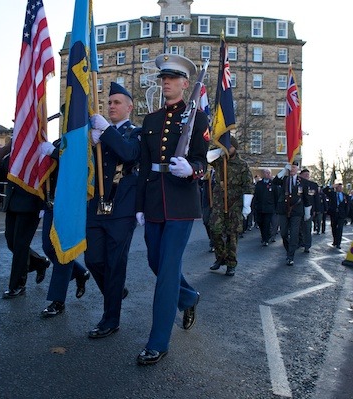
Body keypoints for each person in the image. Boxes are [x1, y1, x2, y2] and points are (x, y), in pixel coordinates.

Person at [134, 54, 209, 365]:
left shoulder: (198, 118)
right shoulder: (150, 121)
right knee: (155, 261)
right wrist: (140, 205)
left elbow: (205, 162)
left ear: (185, 84)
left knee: (166, 273)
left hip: (180, 202)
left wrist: (191, 169)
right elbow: (142, 166)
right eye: (163, 78)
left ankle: (158, 341)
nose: (165, 82)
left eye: (172, 78)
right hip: (153, 199)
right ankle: (189, 297)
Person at [83, 82, 141, 338]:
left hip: (121, 209)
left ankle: (110, 320)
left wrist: (106, 132)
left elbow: (128, 154)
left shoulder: (136, 133)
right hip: (97, 206)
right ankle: (115, 292)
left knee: (116, 264)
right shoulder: (99, 135)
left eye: (117, 103)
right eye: (109, 102)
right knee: (93, 259)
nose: (111, 106)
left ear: (129, 107)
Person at [0, 143, 50, 299]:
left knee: (20, 246)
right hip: (13, 203)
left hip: (31, 204)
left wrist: (42, 204)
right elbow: (4, 174)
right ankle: (39, 262)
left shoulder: (39, 152)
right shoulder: (14, 153)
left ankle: (18, 284)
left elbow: (45, 178)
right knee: (11, 242)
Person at [37, 138, 91, 317]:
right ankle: (80, 272)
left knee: (63, 250)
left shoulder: (82, 137)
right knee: (48, 247)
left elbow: (76, 164)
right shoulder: (60, 141)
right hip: (53, 204)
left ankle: (57, 300)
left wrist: (53, 153)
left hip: (71, 204)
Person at [206, 136, 253, 276]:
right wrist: (219, 150)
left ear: (235, 147)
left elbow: (248, 185)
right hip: (219, 202)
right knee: (215, 230)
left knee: (232, 235)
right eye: (226, 146)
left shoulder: (242, 165)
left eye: (229, 147)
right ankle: (220, 258)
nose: (228, 149)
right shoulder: (219, 160)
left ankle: (231, 264)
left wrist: (246, 205)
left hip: (235, 204)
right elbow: (207, 157)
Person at [272, 161, 312, 266]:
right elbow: (275, 181)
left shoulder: (302, 182)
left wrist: (307, 212)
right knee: (284, 233)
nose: (292, 169)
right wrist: (283, 170)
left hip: (297, 211)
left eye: (294, 167)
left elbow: (306, 197)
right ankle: (288, 249)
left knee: (294, 233)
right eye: (291, 167)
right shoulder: (284, 179)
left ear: (297, 169)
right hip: (283, 210)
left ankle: (290, 256)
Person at [252, 168, 277, 247]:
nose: (267, 174)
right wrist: (254, 205)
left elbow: (276, 195)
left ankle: (265, 239)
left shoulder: (273, 184)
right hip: (259, 208)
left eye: (268, 173)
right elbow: (255, 195)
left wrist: (275, 207)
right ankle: (264, 236)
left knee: (266, 223)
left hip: (269, 208)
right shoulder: (259, 184)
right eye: (265, 173)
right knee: (260, 223)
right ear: (263, 174)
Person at [298, 168, 317, 253]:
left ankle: (307, 245)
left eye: (308, 175)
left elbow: (315, 199)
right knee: (297, 228)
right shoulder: (297, 184)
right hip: (297, 209)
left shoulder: (313, 185)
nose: (307, 176)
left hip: (308, 210)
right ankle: (299, 242)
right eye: (305, 175)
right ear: (300, 175)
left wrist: (315, 210)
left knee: (307, 228)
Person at [324, 182, 349, 249]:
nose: (340, 188)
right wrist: (331, 186)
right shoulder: (333, 194)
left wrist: (346, 214)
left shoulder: (344, 195)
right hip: (334, 213)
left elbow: (347, 205)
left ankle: (338, 243)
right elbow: (325, 190)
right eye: (338, 187)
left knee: (340, 228)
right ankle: (335, 240)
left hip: (341, 214)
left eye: (341, 187)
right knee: (334, 227)